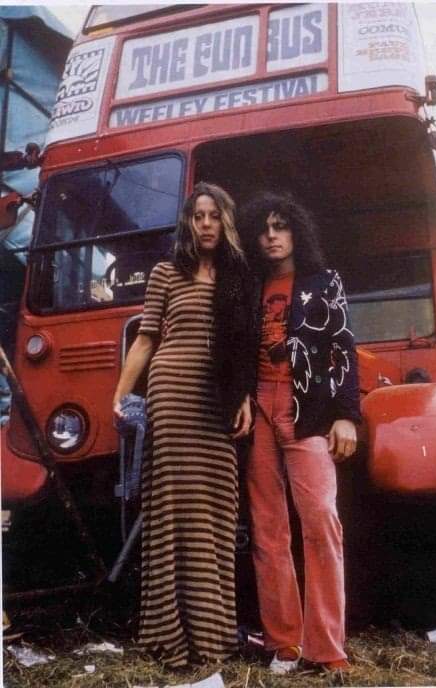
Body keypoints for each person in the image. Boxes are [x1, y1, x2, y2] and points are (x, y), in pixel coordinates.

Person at [113, 182, 253, 667]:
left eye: (215, 215)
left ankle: (213, 638)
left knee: (215, 511)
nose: (207, 224)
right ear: (189, 223)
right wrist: (122, 393)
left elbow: (245, 349)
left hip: (217, 403)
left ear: (226, 221)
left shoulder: (239, 276)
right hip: (172, 396)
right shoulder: (166, 273)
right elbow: (147, 339)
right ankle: (171, 638)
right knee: (173, 512)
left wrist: (245, 398)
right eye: (199, 216)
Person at [239, 192, 361, 675]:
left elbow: (344, 349)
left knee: (320, 521)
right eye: (264, 228)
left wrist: (347, 415)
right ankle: (283, 643)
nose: (272, 236)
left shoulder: (322, 281)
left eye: (281, 226)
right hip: (258, 407)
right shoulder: (248, 286)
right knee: (268, 528)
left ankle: (327, 647)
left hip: (306, 408)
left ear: (295, 232)